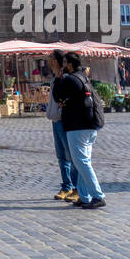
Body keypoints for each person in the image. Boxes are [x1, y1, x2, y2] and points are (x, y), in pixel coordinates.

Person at [55, 53, 106, 209]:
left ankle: (98, 195)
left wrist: (58, 78)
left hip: (78, 127)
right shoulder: (83, 77)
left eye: (64, 63)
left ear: (69, 64)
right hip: (90, 125)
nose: (63, 66)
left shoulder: (70, 79)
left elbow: (57, 96)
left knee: (81, 162)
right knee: (83, 162)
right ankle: (85, 196)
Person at [46, 50, 78, 203]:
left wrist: (59, 111)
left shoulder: (64, 77)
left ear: (57, 60)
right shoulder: (55, 77)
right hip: (55, 120)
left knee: (70, 156)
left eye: (51, 57)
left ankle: (75, 187)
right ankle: (66, 186)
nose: (48, 59)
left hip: (62, 120)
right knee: (61, 156)